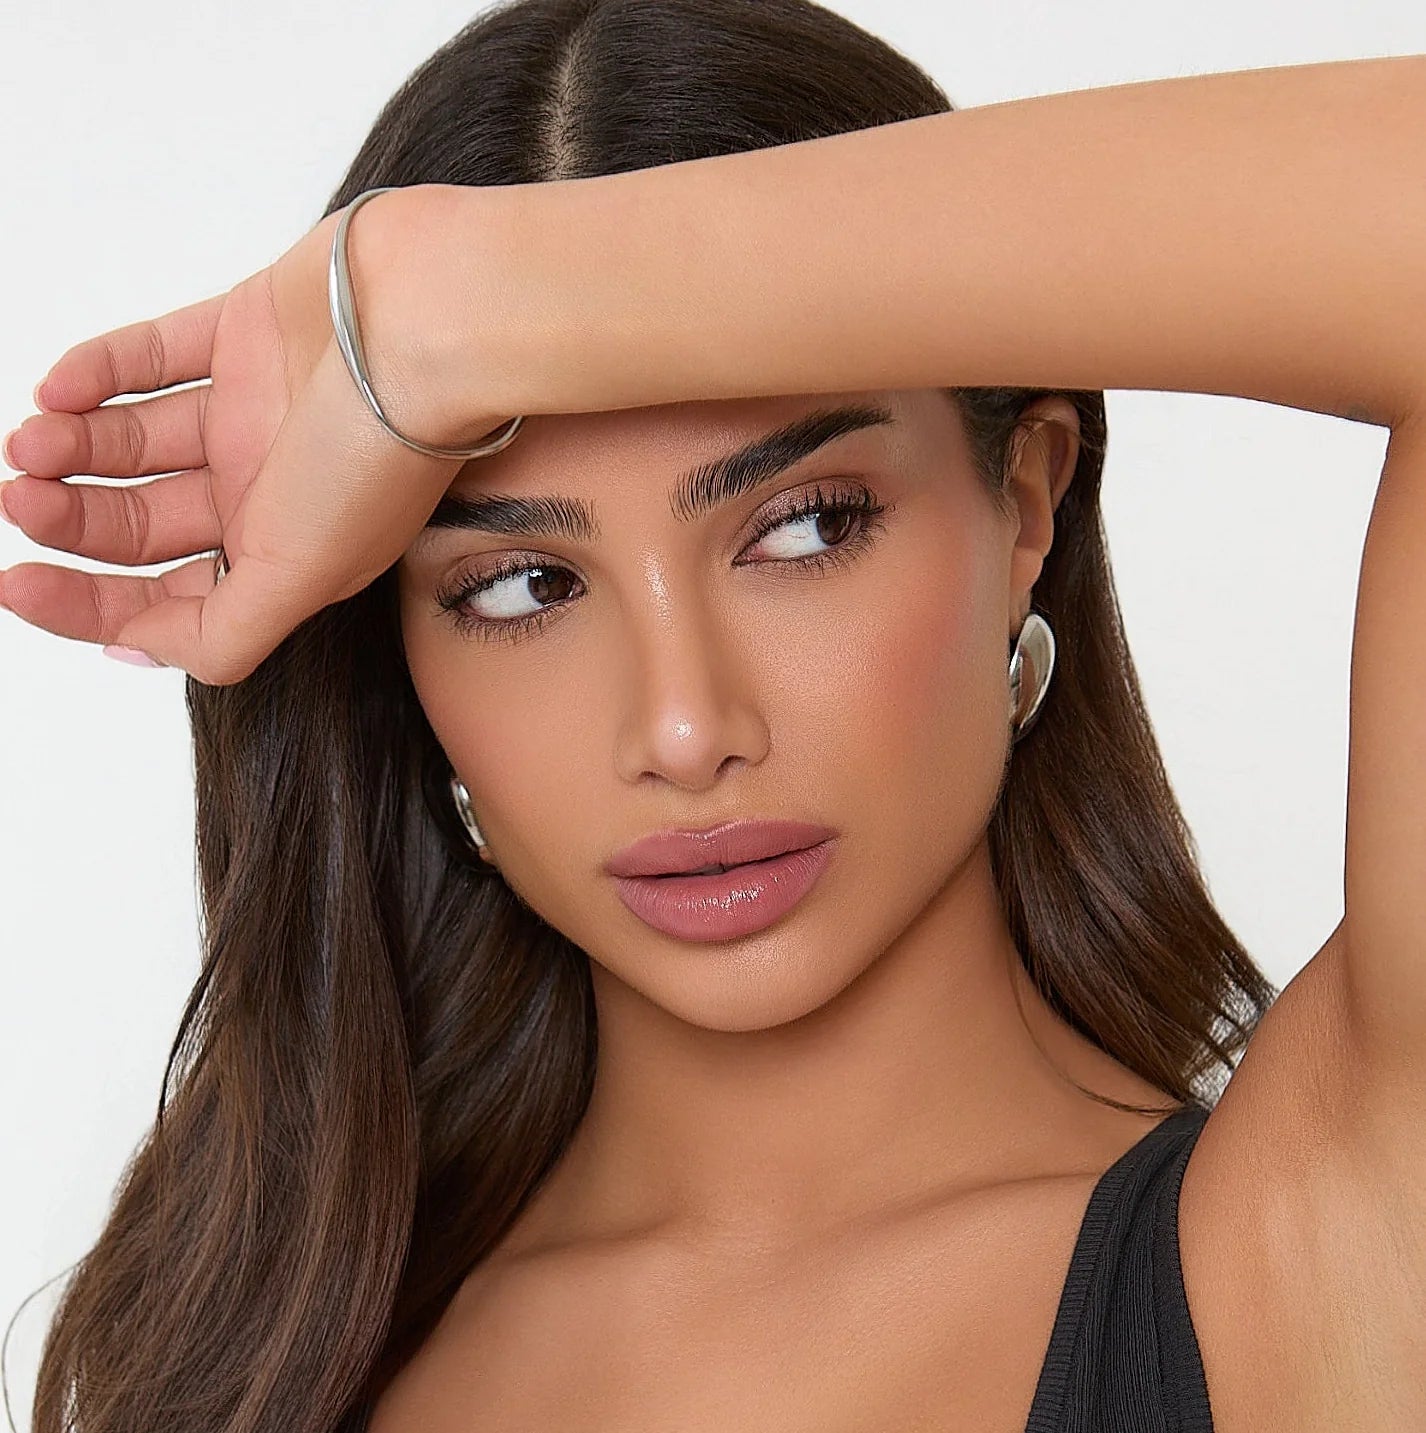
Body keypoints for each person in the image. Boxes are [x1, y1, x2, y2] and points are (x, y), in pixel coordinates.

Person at [2, 1, 1423, 1428]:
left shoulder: (1317, 1241)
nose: (683, 730)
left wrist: (456, 306)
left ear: (1024, 504)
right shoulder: (249, 1361)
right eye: (519, 585)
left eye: (803, 528)